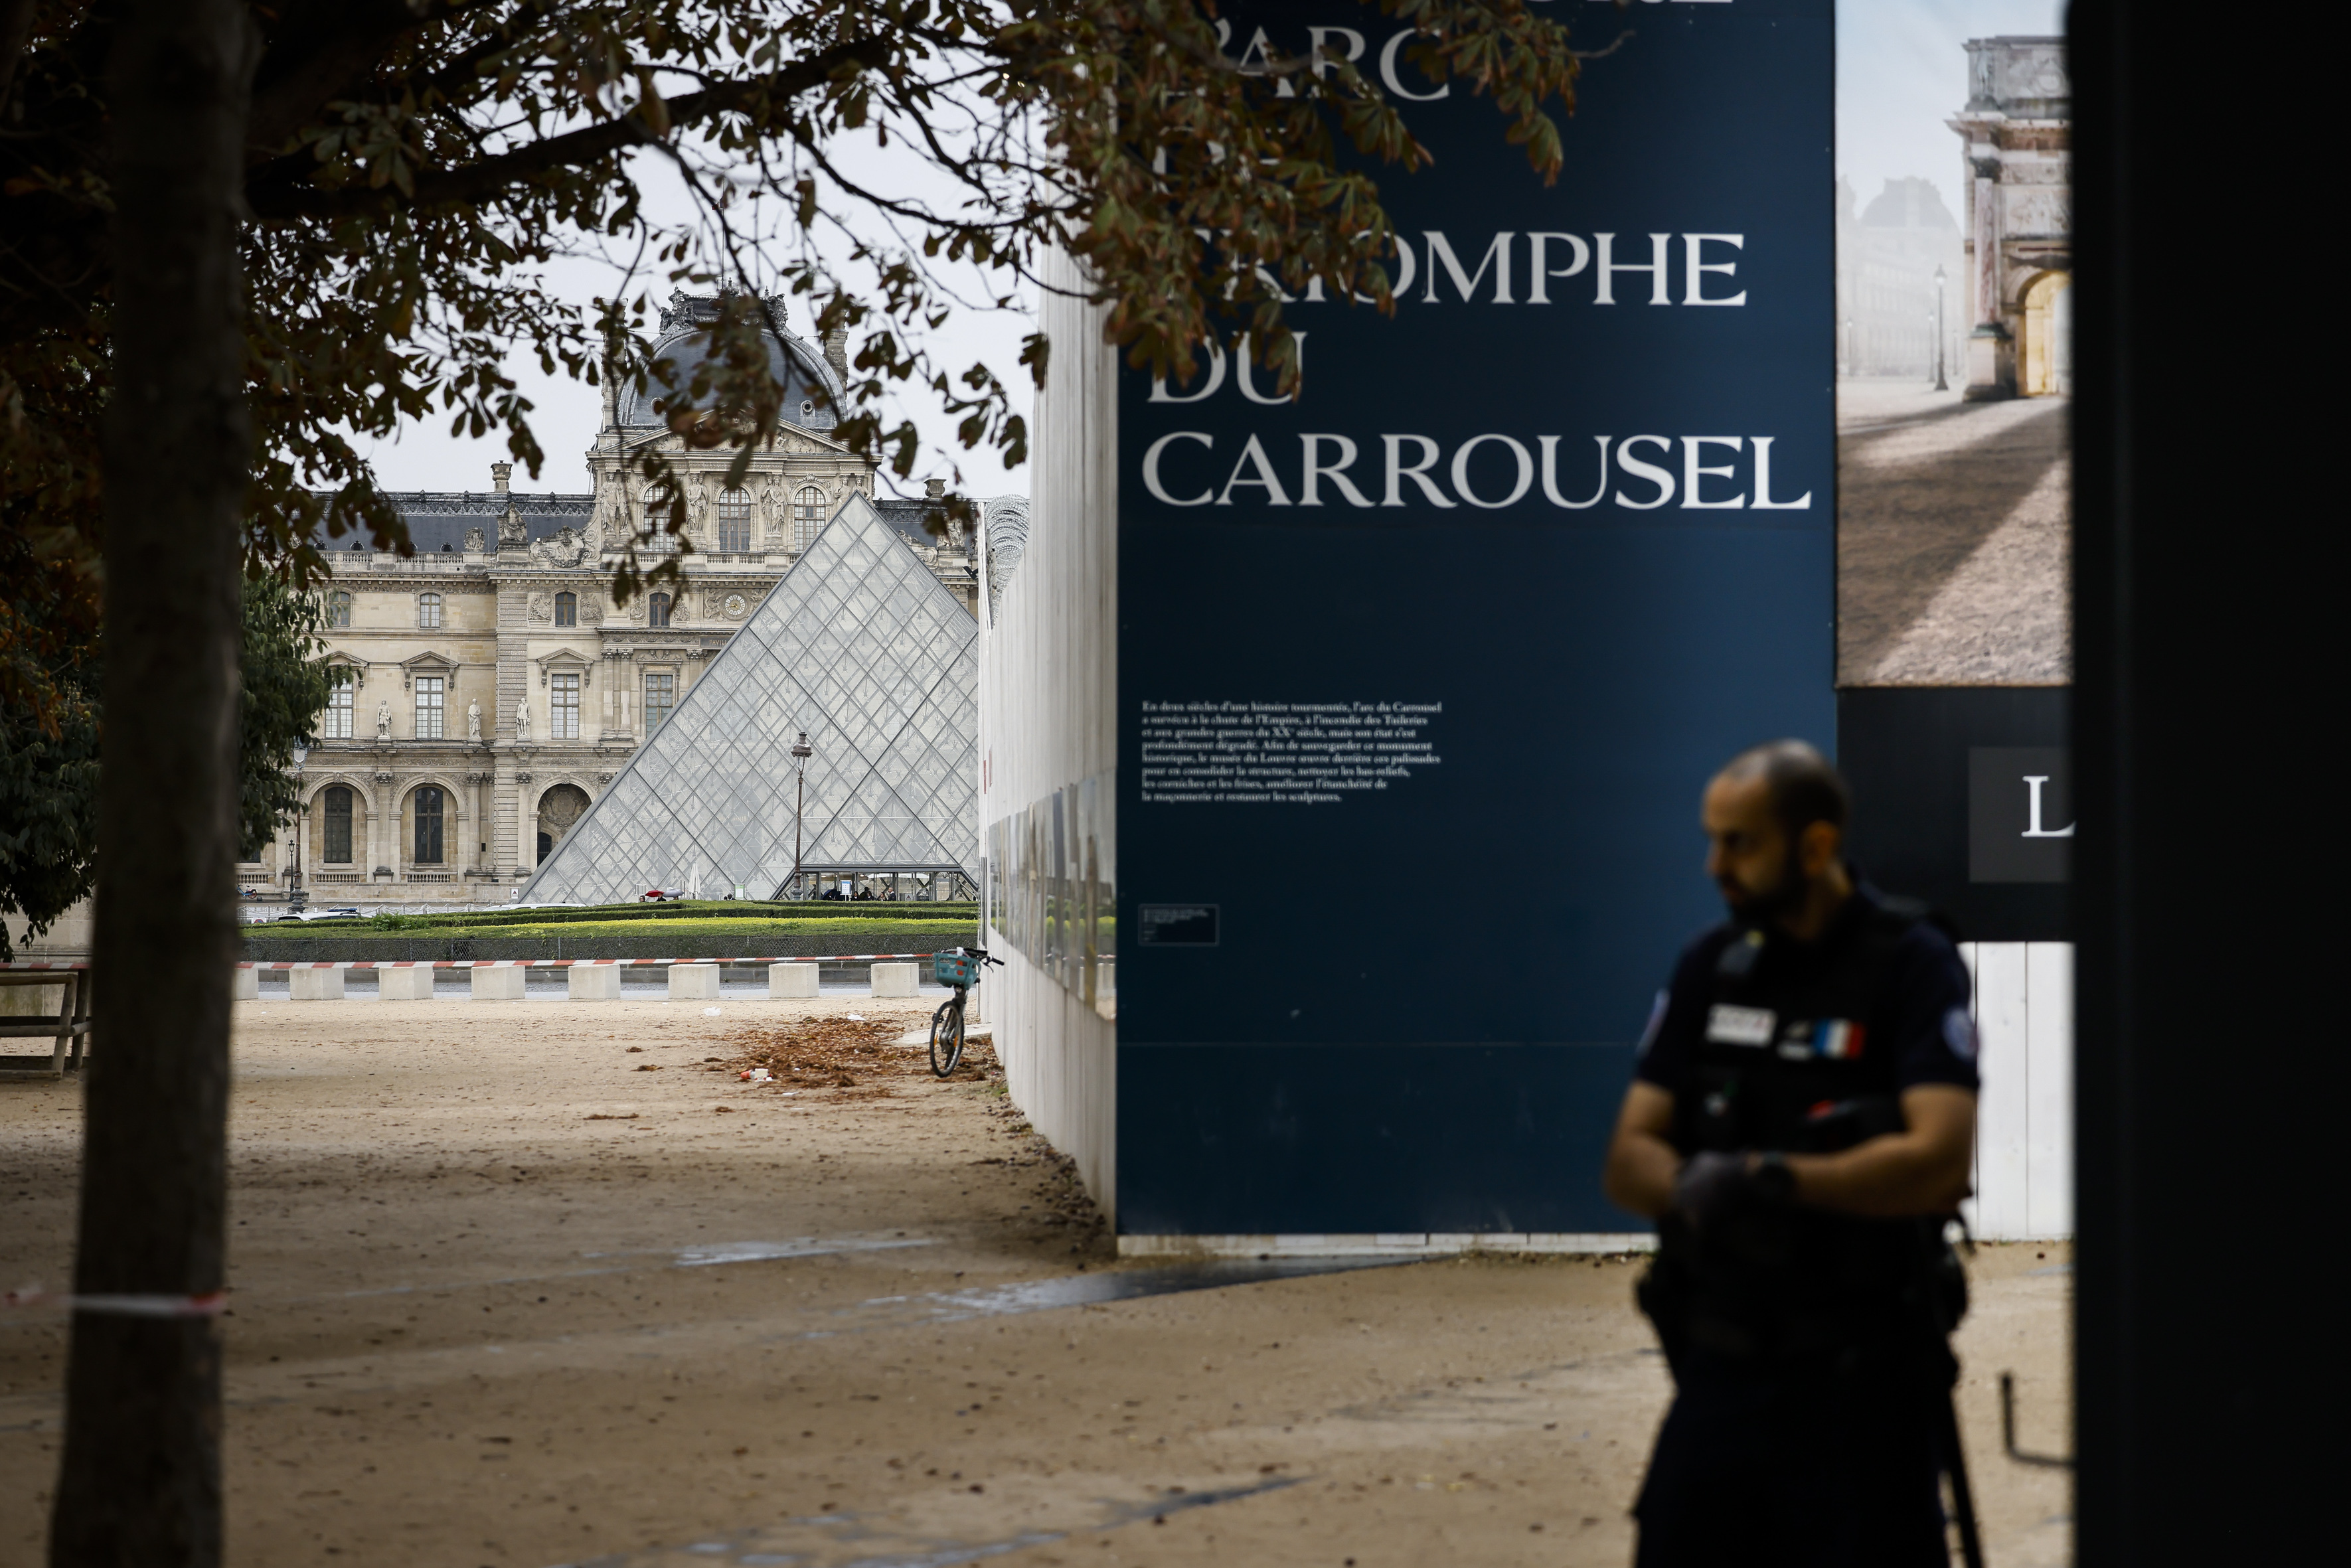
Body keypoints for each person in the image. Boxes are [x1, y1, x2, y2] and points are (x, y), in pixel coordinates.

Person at [1602, 740, 1981, 1567]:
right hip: (1722, 1374)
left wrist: (1770, 1181)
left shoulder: (1910, 964)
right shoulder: (1715, 965)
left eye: (1740, 842)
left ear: (1814, 845)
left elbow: (1941, 1159)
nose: (1716, 865)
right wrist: (1695, 1184)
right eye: (1712, 839)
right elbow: (1628, 1156)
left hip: (1863, 1389)